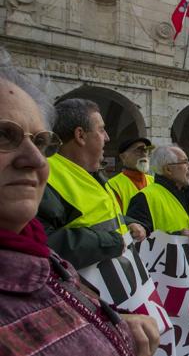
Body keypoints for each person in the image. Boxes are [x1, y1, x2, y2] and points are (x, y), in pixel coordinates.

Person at [0, 52, 159, 356]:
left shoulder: (45, 263)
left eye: (41, 142)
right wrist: (113, 240)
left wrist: (108, 321)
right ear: (79, 134)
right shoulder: (58, 180)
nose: (35, 159)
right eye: (4, 135)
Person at [37, 98, 147, 269]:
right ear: (80, 135)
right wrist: (111, 242)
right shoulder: (45, 176)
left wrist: (127, 223)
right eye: (101, 130)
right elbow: (43, 243)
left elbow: (99, 217)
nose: (107, 137)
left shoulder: (92, 173)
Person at [126, 145, 189, 240]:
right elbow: (136, 241)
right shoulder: (143, 198)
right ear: (168, 170)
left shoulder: (185, 194)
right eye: (184, 162)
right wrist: (176, 237)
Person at [107, 137, 154, 213]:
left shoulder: (154, 181)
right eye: (139, 150)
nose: (144, 154)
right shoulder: (113, 185)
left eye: (146, 150)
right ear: (123, 157)